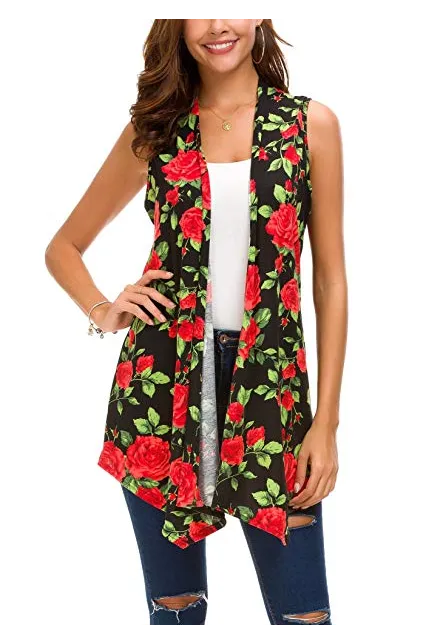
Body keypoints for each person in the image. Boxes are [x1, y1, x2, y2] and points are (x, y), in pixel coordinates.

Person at [45, 17, 346, 632]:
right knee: (176, 615)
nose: (216, 24)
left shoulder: (308, 125)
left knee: (304, 616)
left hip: (271, 394)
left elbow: (330, 282)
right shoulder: (156, 130)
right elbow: (63, 248)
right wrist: (104, 310)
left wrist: (326, 423)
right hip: (161, 390)